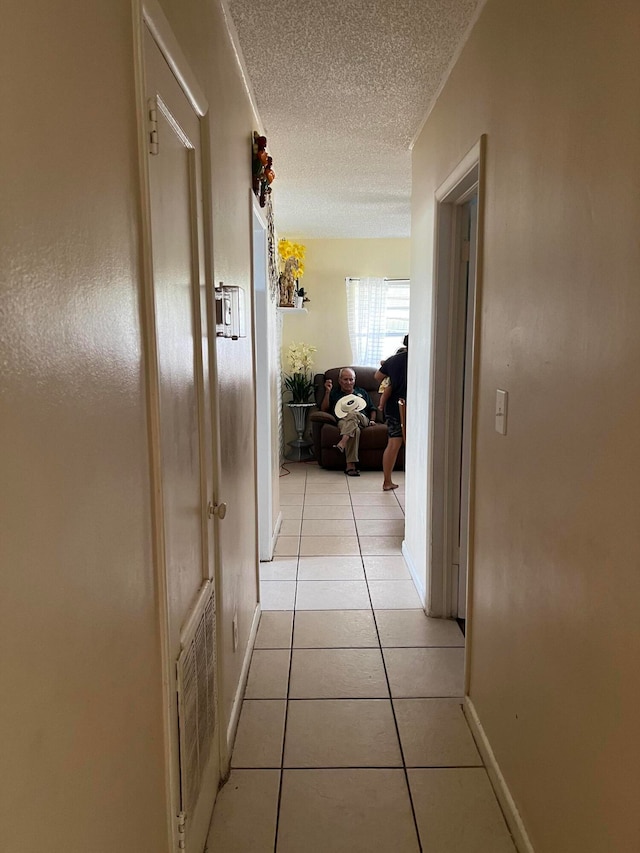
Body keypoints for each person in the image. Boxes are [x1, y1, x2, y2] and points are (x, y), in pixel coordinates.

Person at [320, 367, 375, 476]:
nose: (348, 382)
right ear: (340, 380)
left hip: (362, 418)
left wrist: (372, 420)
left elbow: (372, 409)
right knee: (356, 431)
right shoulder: (334, 393)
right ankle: (350, 466)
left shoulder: (362, 392)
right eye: (345, 379)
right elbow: (324, 409)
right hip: (343, 421)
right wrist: (327, 392)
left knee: (352, 413)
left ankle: (343, 442)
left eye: (351, 379)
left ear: (355, 380)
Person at [374, 335, 408, 491]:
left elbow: (377, 376)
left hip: (394, 406)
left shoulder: (393, 360)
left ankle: (387, 481)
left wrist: (392, 375)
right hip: (413, 407)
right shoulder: (422, 358)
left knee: (394, 443)